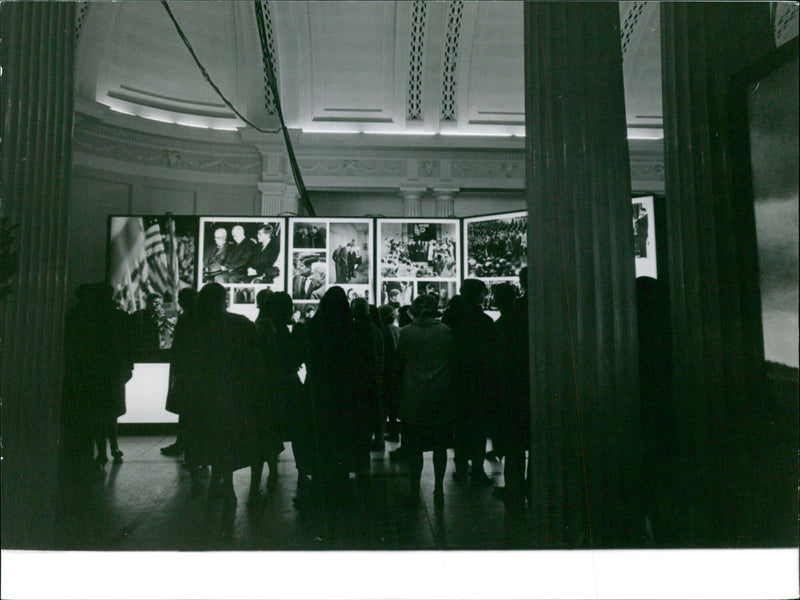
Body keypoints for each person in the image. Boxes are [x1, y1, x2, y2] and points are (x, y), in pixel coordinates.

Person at [181, 282, 261, 513]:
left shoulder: (192, 326)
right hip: (234, 391)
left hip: (203, 393)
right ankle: (226, 484)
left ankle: (216, 482)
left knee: (209, 438)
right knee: (229, 439)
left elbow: (185, 360)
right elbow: (253, 359)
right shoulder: (239, 324)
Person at [62, 283, 133, 479]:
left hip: (95, 372)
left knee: (99, 413)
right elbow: (127, 344)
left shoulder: (87, 318)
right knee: (111, 412)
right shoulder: (118, 316)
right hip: (113, 371)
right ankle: (113, 447)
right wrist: (128, 366)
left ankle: (102, 451)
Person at [299, 286, 360, 504]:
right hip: (343, 389)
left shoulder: (312, 327)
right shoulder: (350, 329)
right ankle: (342, 478)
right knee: (341, 434)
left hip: (317, 387)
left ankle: (318, 476)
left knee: (319, 434)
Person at [397, 293, 455, 506]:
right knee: (440, 445)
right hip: (440, 394)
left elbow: (400, 360)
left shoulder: (406, 332)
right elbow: (451, 359)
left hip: (413, 394)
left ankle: (414, 487)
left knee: (414, 447)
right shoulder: (445, 331)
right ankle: (438, 486)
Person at [443, 279, 496, 488]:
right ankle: (477, 469)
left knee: (460, 426)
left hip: (456, 379)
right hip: (479, 381)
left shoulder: (450, 320)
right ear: (478, 295)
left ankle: (461, 466)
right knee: (478, 427)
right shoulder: (484, 321)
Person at [250, 291, 300, 503]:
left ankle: (258, 481)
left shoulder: (262, 325)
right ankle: (270, 476)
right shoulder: (273, 328)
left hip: (266, 388)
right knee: (285, 431)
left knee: (265, 434)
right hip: (281, 386)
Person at [161, 287, 199, 458]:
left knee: (186, 410)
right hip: (193, 372)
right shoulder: (196, 319)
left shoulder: (187, 319)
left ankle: (183, 443)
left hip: (186, 372)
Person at [351, 297, 385, 465]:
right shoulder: (374, 329)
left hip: (359, 381)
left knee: (360, 421)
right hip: (374, 379)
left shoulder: (354, 329)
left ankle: (361, 457)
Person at [378, 304, 402, 444]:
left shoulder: (381, 330)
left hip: (384, 372)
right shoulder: (397, 330)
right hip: (396, 372)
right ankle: (393, 431)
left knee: (383, 405)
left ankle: (383, 433)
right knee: (393, 405)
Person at [130, 293, 163, 360]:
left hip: (154, 352)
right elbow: (141, 332)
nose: (157, 305)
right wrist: (154, 321)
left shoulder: (157, 317)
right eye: (155, 302)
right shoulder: (139, 314)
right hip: (141, 353)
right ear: (147, 302)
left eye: (160, 304)